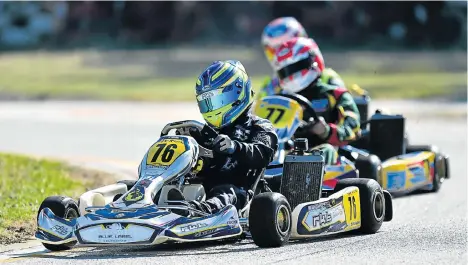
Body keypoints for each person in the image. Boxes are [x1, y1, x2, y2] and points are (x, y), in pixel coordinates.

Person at [180, 60, 279, 215]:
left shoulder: (259, 126)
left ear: (237, 94)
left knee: (225, 193)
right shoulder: (204, 132)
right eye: (207, 104)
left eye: (217, 101)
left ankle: (199, 212)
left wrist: (234, 147)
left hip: (238, 191)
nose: (211, 109)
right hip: (200, 187)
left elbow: (263, 153)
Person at [272, 37, 360, 165]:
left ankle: (305, 175)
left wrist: (326, 131)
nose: (291, 75)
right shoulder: (279, 100)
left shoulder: (335, 95)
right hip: (288, 154)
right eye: (286, 71)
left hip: (331, 155)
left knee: (325, 151)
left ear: (313, 60)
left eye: (297, 67)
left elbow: (353, 129)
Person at [257, 17, 345, 101]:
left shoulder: (327, 77)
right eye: (273, 50)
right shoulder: (269, 88)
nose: (280, 53)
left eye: (285, 48)